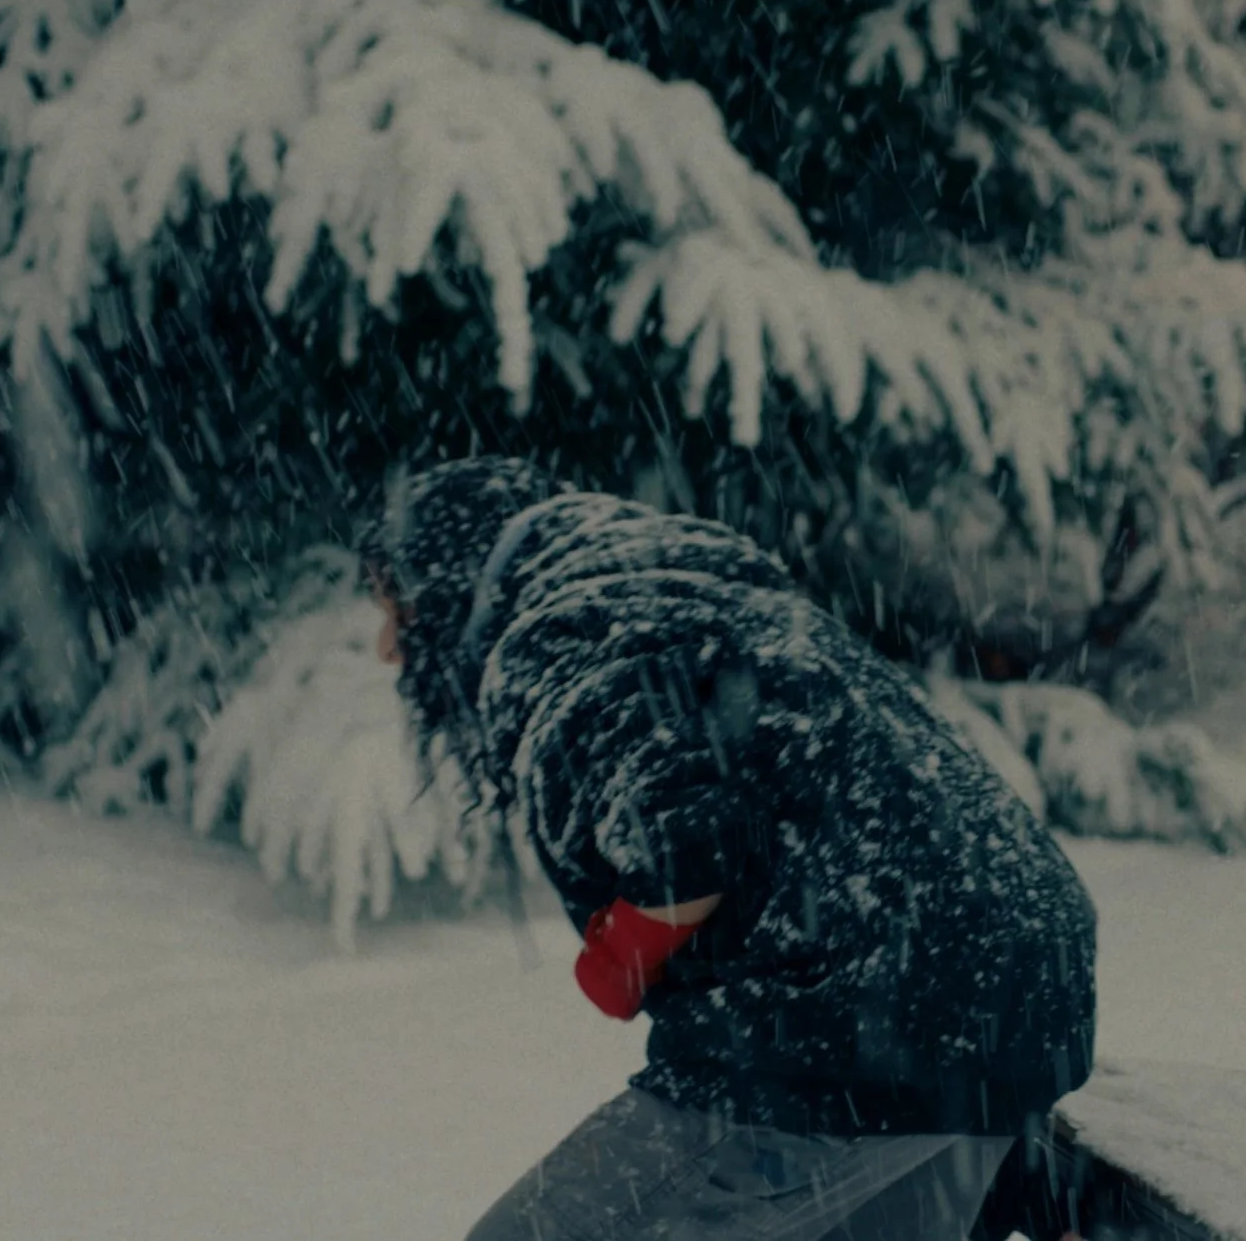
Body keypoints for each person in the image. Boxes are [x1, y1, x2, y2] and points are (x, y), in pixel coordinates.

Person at [359, 457, 1097, 1241]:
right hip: (1017, 984)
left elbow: (693, 834)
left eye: (394, 611)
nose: (386, 647)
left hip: (857, 1021)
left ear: (446, 590)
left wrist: (620, 958)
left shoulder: (560, 631)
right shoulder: (687, 594)